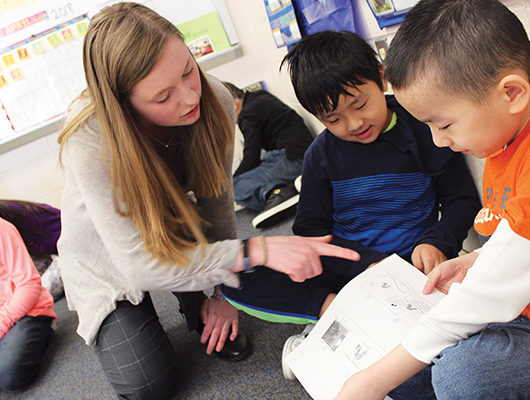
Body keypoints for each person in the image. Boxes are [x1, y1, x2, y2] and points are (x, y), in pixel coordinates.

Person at [56, 3, 359, 399]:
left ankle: (195, 295)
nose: (188, 98)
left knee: (222, 281)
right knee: (148, 385)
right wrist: (256, 250)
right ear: (123, 104)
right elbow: (138, 266)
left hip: (180, 228)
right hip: (108, 257)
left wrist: (219, 291)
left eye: (187, 70)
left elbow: (216, 201)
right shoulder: (89, 137)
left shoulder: (213, 95)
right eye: (163, 95)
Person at [334, 0, 530, 399]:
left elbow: (492, 292)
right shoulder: (502, 137)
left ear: (511, 93)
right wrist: (476, 261)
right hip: (525, 310)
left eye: (443, 125)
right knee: (406, 353)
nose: (440, 141)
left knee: (461, 376)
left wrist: (372, 383)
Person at [220, 30, 480, 377]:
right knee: (232, 269)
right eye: (332, 119)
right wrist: (364, 266)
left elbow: (461, 198)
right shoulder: (320, 157)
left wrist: (437, 241)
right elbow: (310, 232)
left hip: (415, 269)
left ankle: (335, 337)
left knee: (464, 338)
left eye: (359, 104)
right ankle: (332, 316)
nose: (354, 123)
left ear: (381, 75)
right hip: (349, 272)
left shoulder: (422, 128)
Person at [222, 82, 314, 229]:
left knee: (234, 186)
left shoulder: (247, 115)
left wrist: (231, 181)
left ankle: (279, 194)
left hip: (293, 158)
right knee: (250, 173)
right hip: (300, 152)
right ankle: (292, 185)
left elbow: (251, 155)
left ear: (232, 104)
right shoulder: (258, 96)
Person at [0, 217, 55, 391]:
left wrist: (1, 324)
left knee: (8, 375)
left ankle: (41, 335)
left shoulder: (3, 228)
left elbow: (29, 285)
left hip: (27, 312)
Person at [0, 200, 64, 300]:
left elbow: (28, 284)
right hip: (46, 256)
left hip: (66, 254)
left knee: (30, 298)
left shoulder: (5, 223)